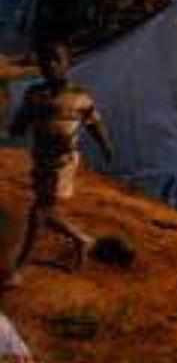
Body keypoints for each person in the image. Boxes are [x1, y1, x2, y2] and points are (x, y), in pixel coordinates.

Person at [9, 42, 114, 279]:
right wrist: (16, 127)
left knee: (39, 212)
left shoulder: (80, 96)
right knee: (46, 212)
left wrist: (106, 146)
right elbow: (20, 123)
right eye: (45, 61)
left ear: (68, 63)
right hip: (41, 160)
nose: (50, 65)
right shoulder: (35, 94)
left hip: (63, 163)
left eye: (56, 60)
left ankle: (19, 268)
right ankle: (82, 239)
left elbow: (95, 124)